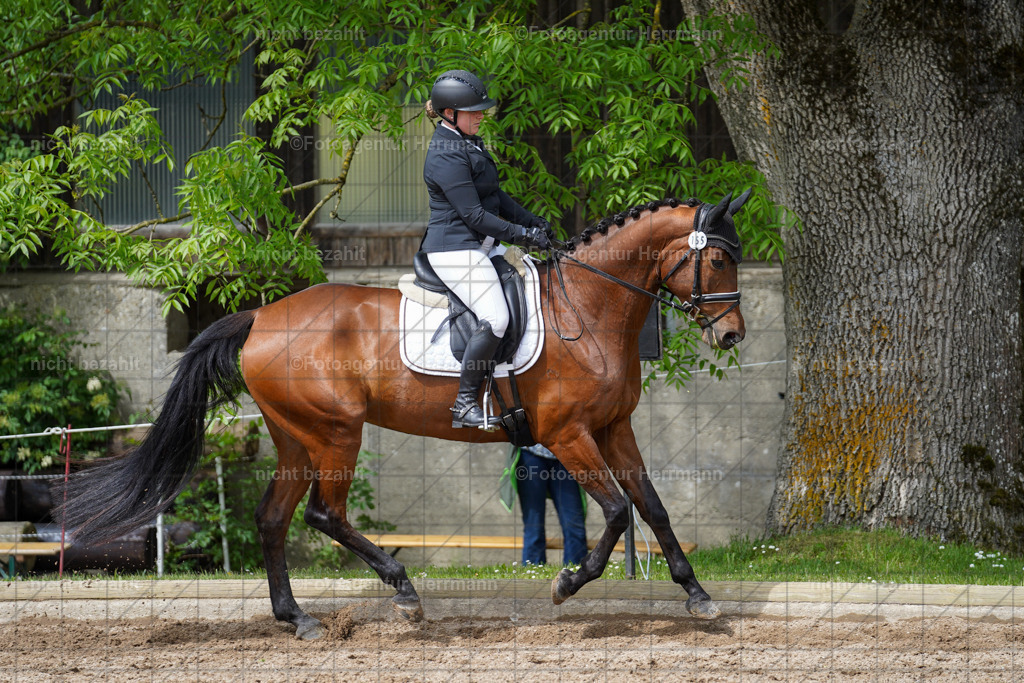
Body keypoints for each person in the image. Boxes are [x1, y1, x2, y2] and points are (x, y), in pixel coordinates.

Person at [421, 69, 552, 429]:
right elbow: (474, 215)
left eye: (481, 110)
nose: (481, 116)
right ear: (450, 114)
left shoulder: (468, 141)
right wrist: (523, 234)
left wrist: (533, 221)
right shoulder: (445, 153)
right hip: (455, 250)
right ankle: (464, 404)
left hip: (483, 247)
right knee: (496, 318)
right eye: (474, 111)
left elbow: (495, 197)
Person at [503, 444, 588, 566]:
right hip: (530, 453)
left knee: (574, 525)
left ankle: (576, 570)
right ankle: (533, 571)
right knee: (534, 526)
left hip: (565, 456)